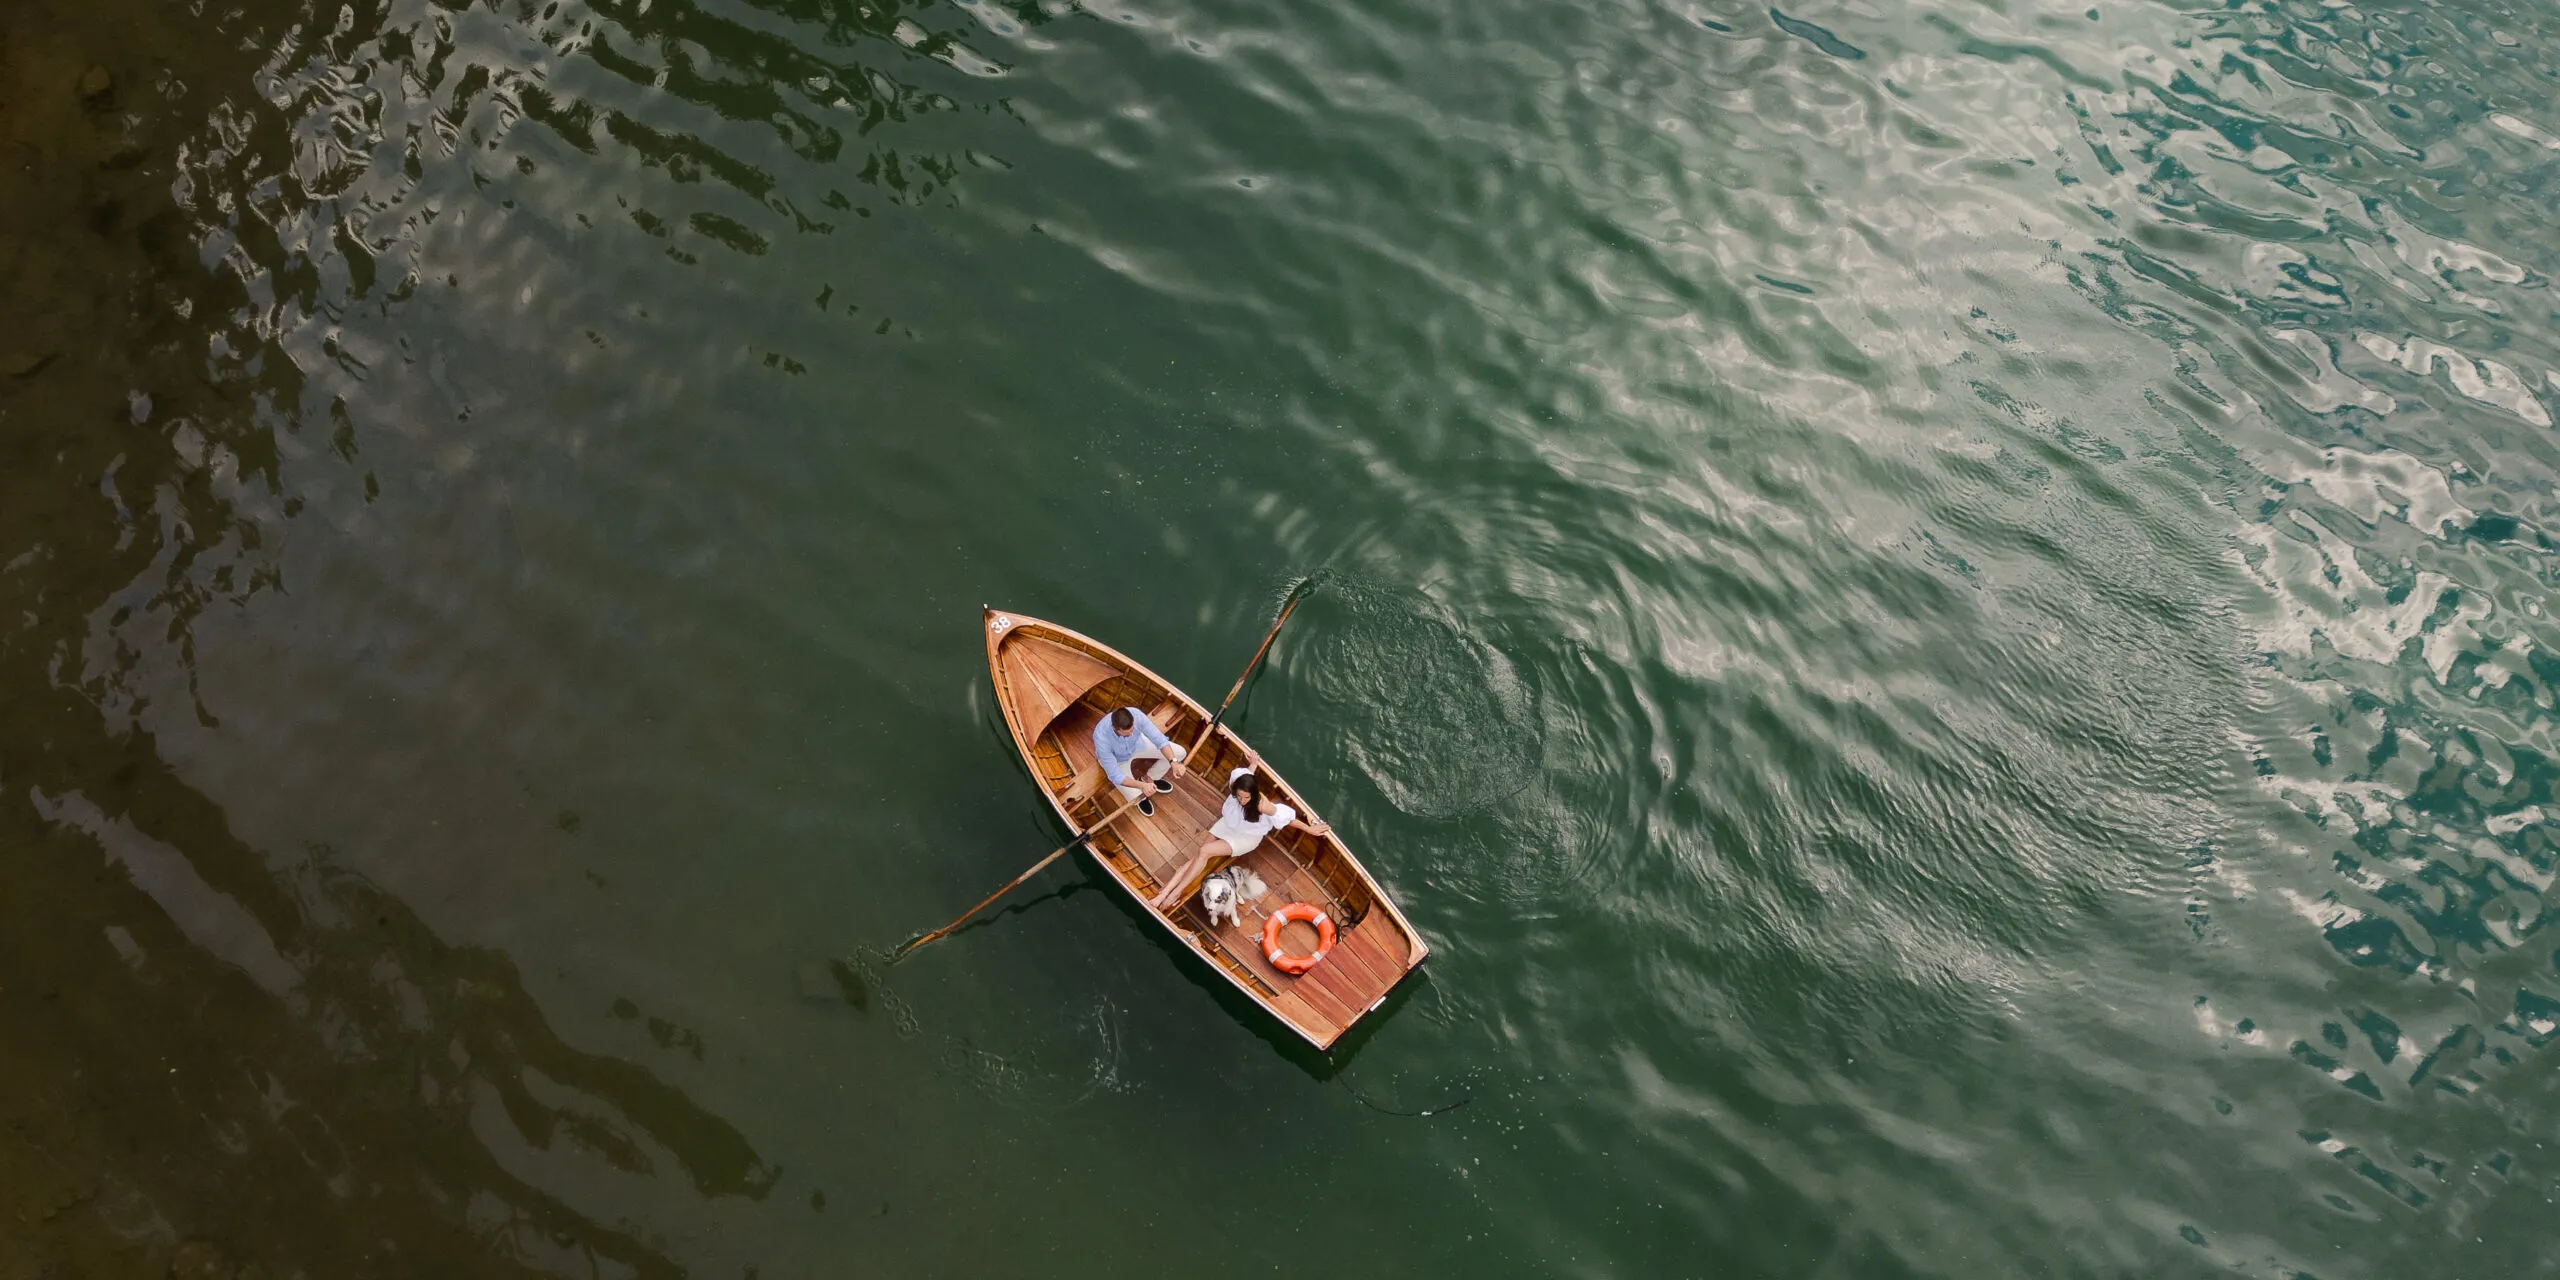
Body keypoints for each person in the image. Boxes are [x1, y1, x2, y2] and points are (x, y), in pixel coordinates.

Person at [1152, 767, 1328, 911]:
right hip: (1228, 824)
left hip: (1245, 837)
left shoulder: (1262, 805)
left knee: (1204, 852)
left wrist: (1309, 829)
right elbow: (1244, 773)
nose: (1242, 800)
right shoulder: (1237, 783)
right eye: (1239, 796)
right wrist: (1253, 763)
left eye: (1246, 797)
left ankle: (1175, 893)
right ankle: (1165, 892)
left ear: (1254, 794)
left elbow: (1288, 819)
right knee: (1197, 856)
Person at [1092, 706, 1185, 817]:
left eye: (1132, 730)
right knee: (1135, 797)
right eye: (1126, 734)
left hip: (1137, 746)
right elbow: (1116, 776)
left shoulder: (1137, 715)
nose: (1131, 734)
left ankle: (1150, 778)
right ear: (1115, 729)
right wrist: (1141, 786)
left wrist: (1173, 762)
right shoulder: (1101, 738)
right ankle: (1143, 787)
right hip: (1117, 760)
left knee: (1180, 753)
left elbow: (1160, 740)